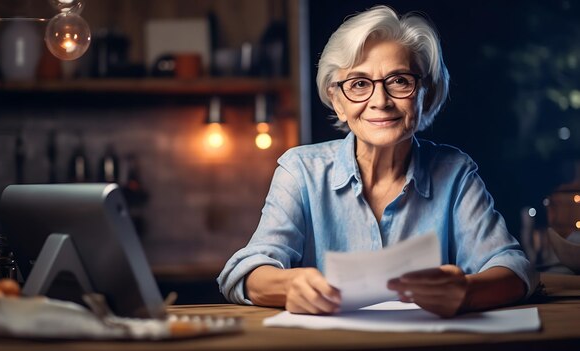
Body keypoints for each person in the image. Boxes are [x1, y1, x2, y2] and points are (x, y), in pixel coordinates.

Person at [217, 5, 537, 318]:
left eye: (399, 81)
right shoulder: (300, 171)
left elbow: (513, 268)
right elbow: (247, 271)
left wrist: (466, 292)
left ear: (426, 93)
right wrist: (289, 285)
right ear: (337, 101)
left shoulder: (455, 171)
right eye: (359, 84)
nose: (380, 101)